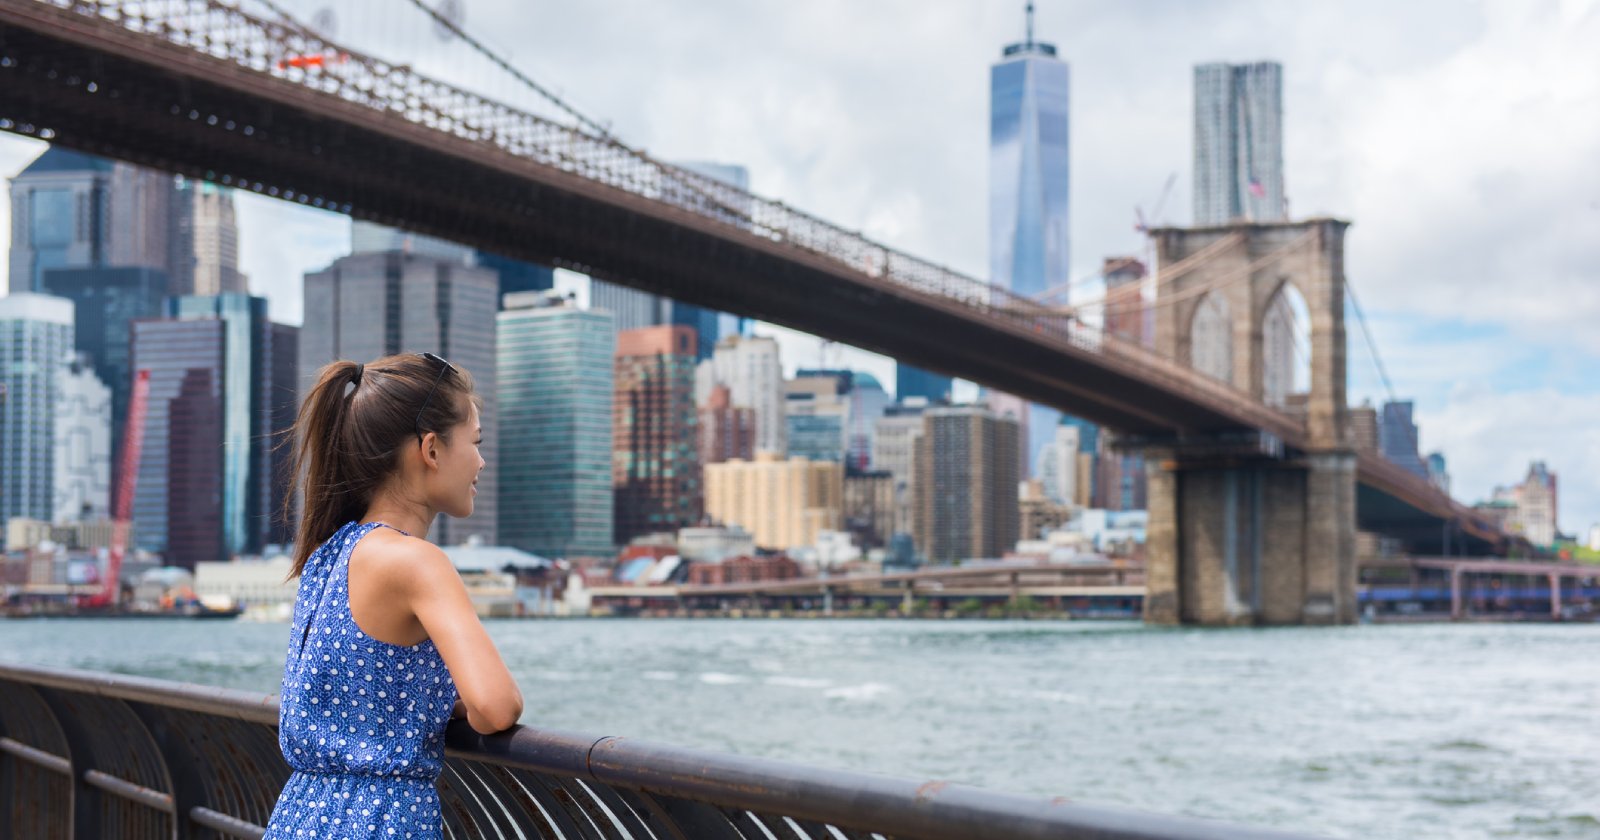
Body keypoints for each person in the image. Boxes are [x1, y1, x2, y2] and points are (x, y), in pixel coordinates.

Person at [263, 353, 523, 839]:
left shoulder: (329, 554)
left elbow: (363, 681)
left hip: (302, 814)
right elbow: (495, 706)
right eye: (476, 442)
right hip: (380, 821)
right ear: (431, 449)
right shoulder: (417, 562)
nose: (481, 461)